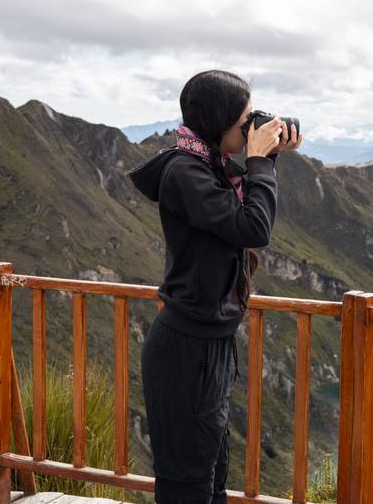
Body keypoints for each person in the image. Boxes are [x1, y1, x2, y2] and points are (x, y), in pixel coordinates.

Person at [127, 69, 303, 503]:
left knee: (212, 474)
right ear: (216, 122)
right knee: (188, 484)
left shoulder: (212, 166)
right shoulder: (185, 173)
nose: (250, 128)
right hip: (186, 349)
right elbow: (252, 227)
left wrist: (269, 155)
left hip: (212, 342)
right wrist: (260, 161)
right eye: (245, 120)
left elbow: (239, 216)